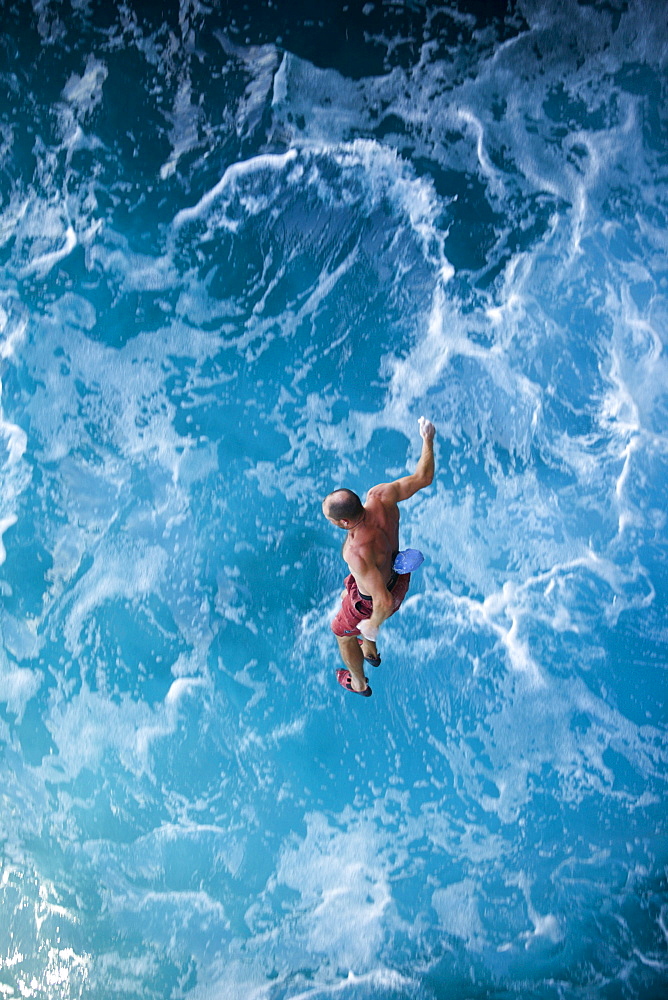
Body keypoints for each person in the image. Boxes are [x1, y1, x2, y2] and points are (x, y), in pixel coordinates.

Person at [322, 416, 436, 697]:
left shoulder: (355, 552)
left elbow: (382, 601)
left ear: (344, 522)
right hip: (399, 573)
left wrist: (371, 626)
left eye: (332, 520)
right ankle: (370, 652)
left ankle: (359, 683)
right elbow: (424, 477)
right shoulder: (381, 496)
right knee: (349, 590)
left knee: (341, 632)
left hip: (380, 597)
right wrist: (428, 440)